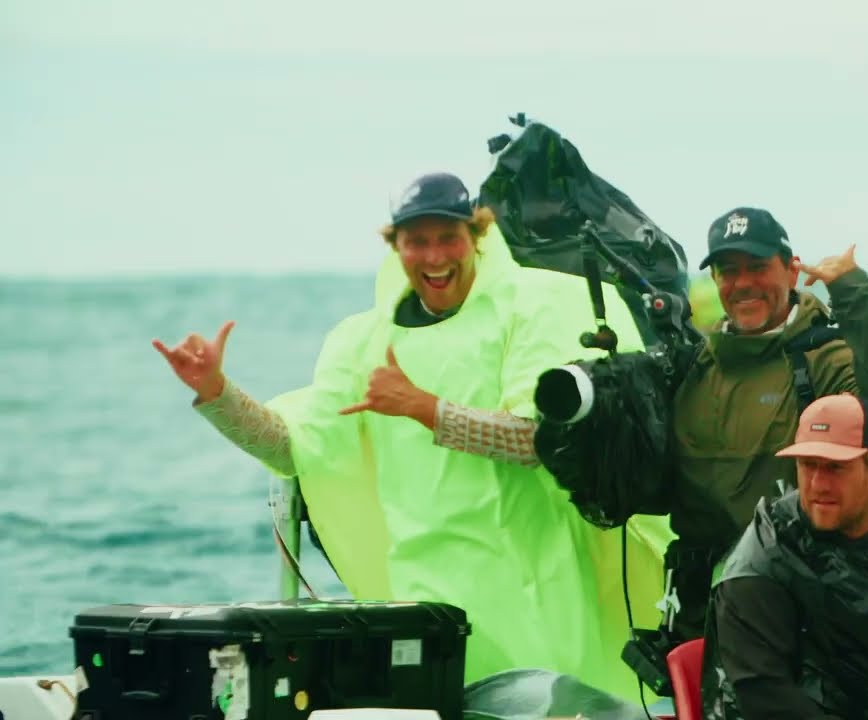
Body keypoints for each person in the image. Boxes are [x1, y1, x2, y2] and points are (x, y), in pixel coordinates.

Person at [151, 171, 673, 699]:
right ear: (394, 246)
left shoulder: (524, 308)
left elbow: (537, 443)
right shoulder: (362, 341)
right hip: (427, 599)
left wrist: (425, 409)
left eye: (448, 237)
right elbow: (291, 450)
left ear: (477, 235)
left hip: (537, 589)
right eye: (416, 241)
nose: (434, 256)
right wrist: (217, 393)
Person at [663, 206, 868, 638]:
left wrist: (853, 294)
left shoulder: (823, 357)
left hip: (800, 611)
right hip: (701, 613)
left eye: (758, 267)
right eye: (729, 271)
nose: (743, 283)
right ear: (714, 282)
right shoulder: (693, 367)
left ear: (790, 270)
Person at [701, 393, 868, 720]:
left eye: (836, 467)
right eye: (808, 465)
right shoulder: (761, 565)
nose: (818, 484)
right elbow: (764, 695)